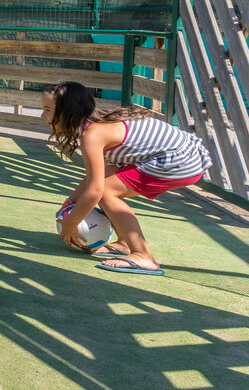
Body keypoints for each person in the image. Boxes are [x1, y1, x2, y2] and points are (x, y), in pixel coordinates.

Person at [42, 81, 211, 276]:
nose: (42, 115)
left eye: (48, 109)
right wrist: (71, 201)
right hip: (183, 155)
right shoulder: (99, 123)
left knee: (105, 192)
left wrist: (72, 222)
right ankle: (124, 243)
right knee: (107, 180)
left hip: (181, 160)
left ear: (68, 111)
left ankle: (143, 255)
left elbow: (96, 190)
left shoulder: (93, 135)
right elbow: (100, 175)